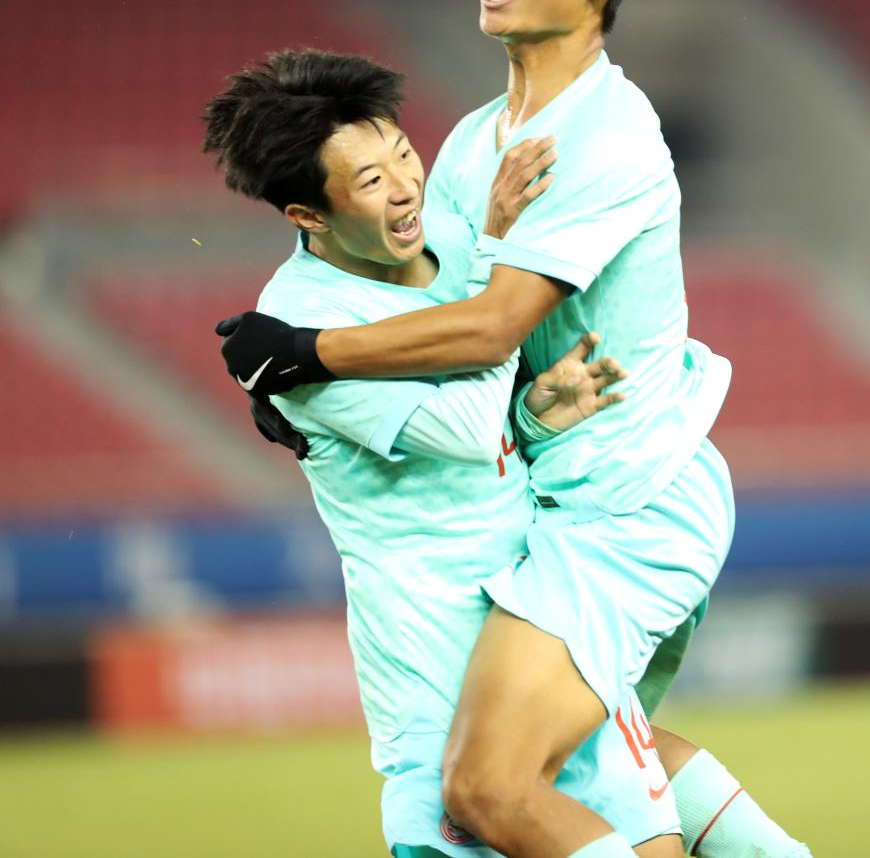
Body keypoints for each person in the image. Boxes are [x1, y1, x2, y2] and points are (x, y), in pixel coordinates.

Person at [215, 0, 812, 857]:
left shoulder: (604, 134)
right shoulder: (468, 143)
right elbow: (451, 318)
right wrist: (300, 381)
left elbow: (489, 326)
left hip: (629, 500)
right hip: (559, 502)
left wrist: (307, 354)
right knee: (587, 763)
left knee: (486, 786)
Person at [202, 48, 683, 858]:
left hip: (537, 628)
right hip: (433, 666)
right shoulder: (291, 333)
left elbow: (491, 429)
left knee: (661, 844)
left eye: (403, 153)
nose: (405, 186)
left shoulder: (457, 240)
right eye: (370, 179)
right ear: (308, 214)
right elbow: (464, 429)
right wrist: (498, 267)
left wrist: (532, 414)